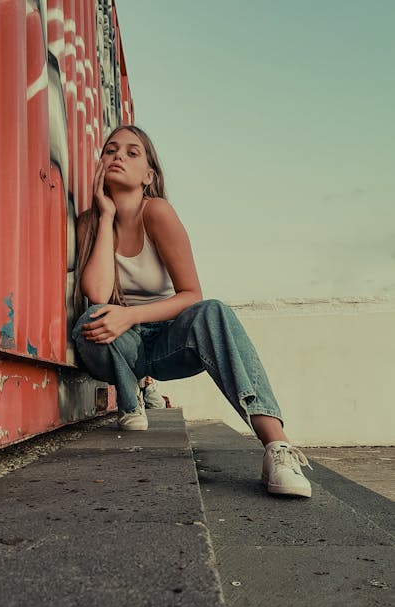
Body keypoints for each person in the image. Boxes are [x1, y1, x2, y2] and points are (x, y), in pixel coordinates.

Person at [73, 125, 312, 498]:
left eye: (132, 152)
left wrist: (132, 314)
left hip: (169, 340)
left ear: (148, 175)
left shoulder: (158, 213)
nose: (118, 156)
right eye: (110, 150)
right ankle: (131, 395)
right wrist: (105, 217)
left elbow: (191, 294)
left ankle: (277, 448)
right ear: (100, 164)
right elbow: (97, 294)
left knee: (213, 312)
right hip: (121, 345)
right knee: (92, 319)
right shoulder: (89, 222)